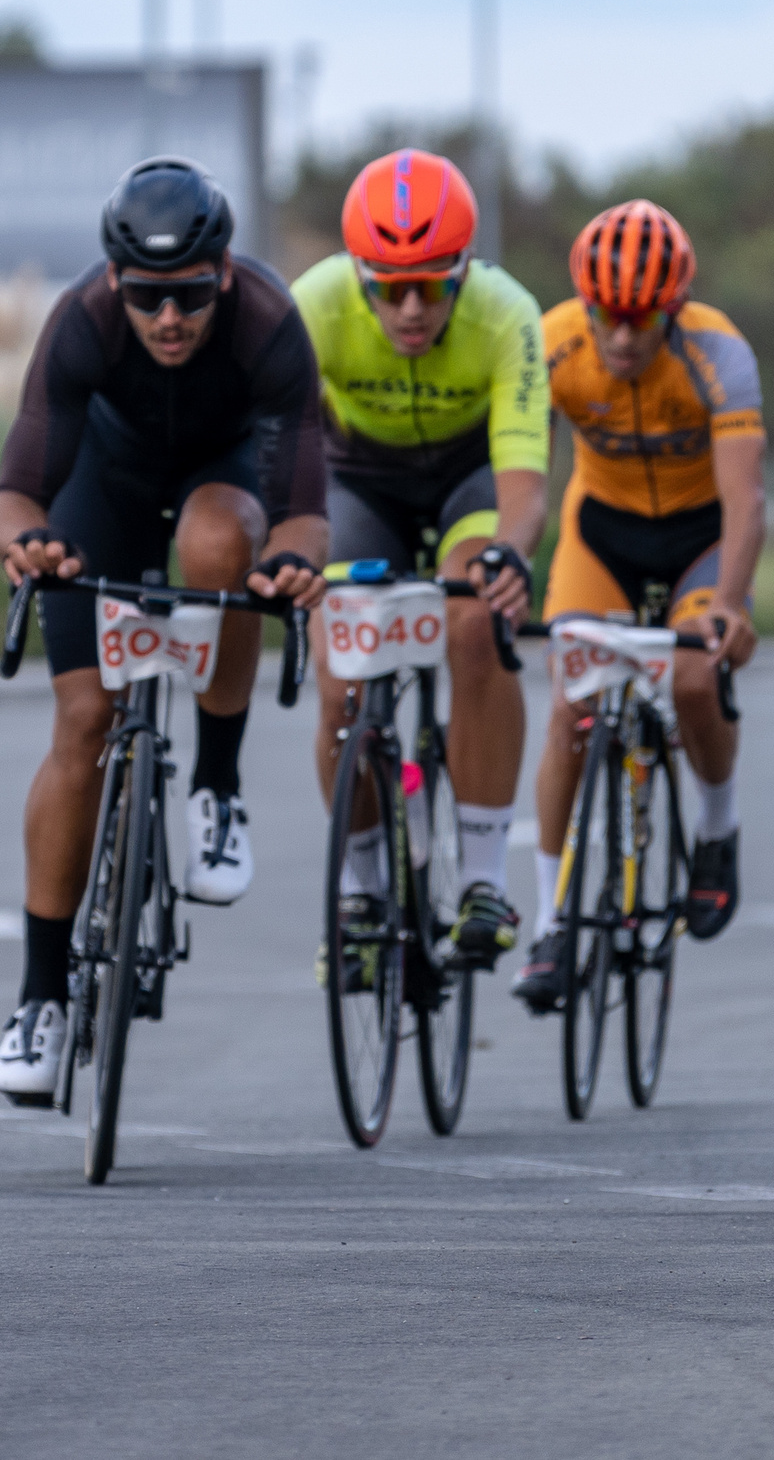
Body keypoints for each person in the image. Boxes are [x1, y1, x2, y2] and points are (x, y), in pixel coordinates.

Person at [0, 157, 330, 1105]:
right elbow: (13, 496)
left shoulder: (267, 320)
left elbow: (304, 509)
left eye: (186, 296)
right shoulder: (82, 322)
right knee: (84, 721)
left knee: (225, 546)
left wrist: (293, 564)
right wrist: (30, 545)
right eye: (146, 296)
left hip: (222, 478)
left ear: (221, 275)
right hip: (108, 485)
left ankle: (216, 788)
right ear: (114, 283)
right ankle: (41, 999)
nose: (167, 319)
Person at [293, 150, 547, 978]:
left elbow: (523, 487)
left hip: (466, 478)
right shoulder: (315, 306)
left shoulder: (507, 314)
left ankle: (480, 877)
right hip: (357, 480)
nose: (409, 307)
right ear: (357, 275)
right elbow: (281, 461)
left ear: (465, 271)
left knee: (476, 619)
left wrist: (510, 554)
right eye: (387, 285)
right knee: (341, 669)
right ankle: (362, 888)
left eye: (432, 285)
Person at [513, 199, 765, 1011]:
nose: (623, 337)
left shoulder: (718, 353)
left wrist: (728, 607)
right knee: (569, 711)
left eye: (643, 319)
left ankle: (717, 830)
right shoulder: (551, 344)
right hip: (604, 536)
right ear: (585, 306)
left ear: (674, 308)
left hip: (698, 537)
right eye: (608, 317)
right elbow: (523, 476)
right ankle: (553, 922)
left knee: (694, 681)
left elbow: (746, 501)